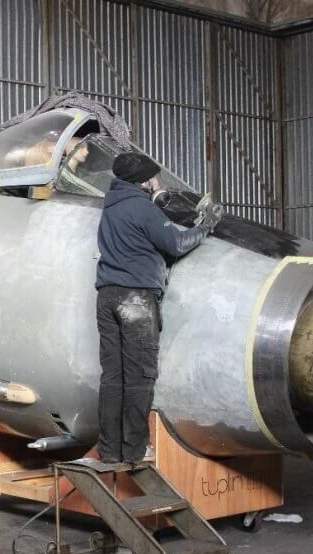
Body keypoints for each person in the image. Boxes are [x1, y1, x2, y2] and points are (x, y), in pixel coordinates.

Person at [95, 152, 212, 464]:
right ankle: (134, 451)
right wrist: (205, 227)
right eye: (154, 178)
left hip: (107, 296)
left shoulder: (112, 207)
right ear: (143, 181)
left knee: (113, 377)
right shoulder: (142, 208)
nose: (158, 183)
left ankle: (109, 451)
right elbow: (176, 244)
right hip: (136, 300)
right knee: (139, 376)